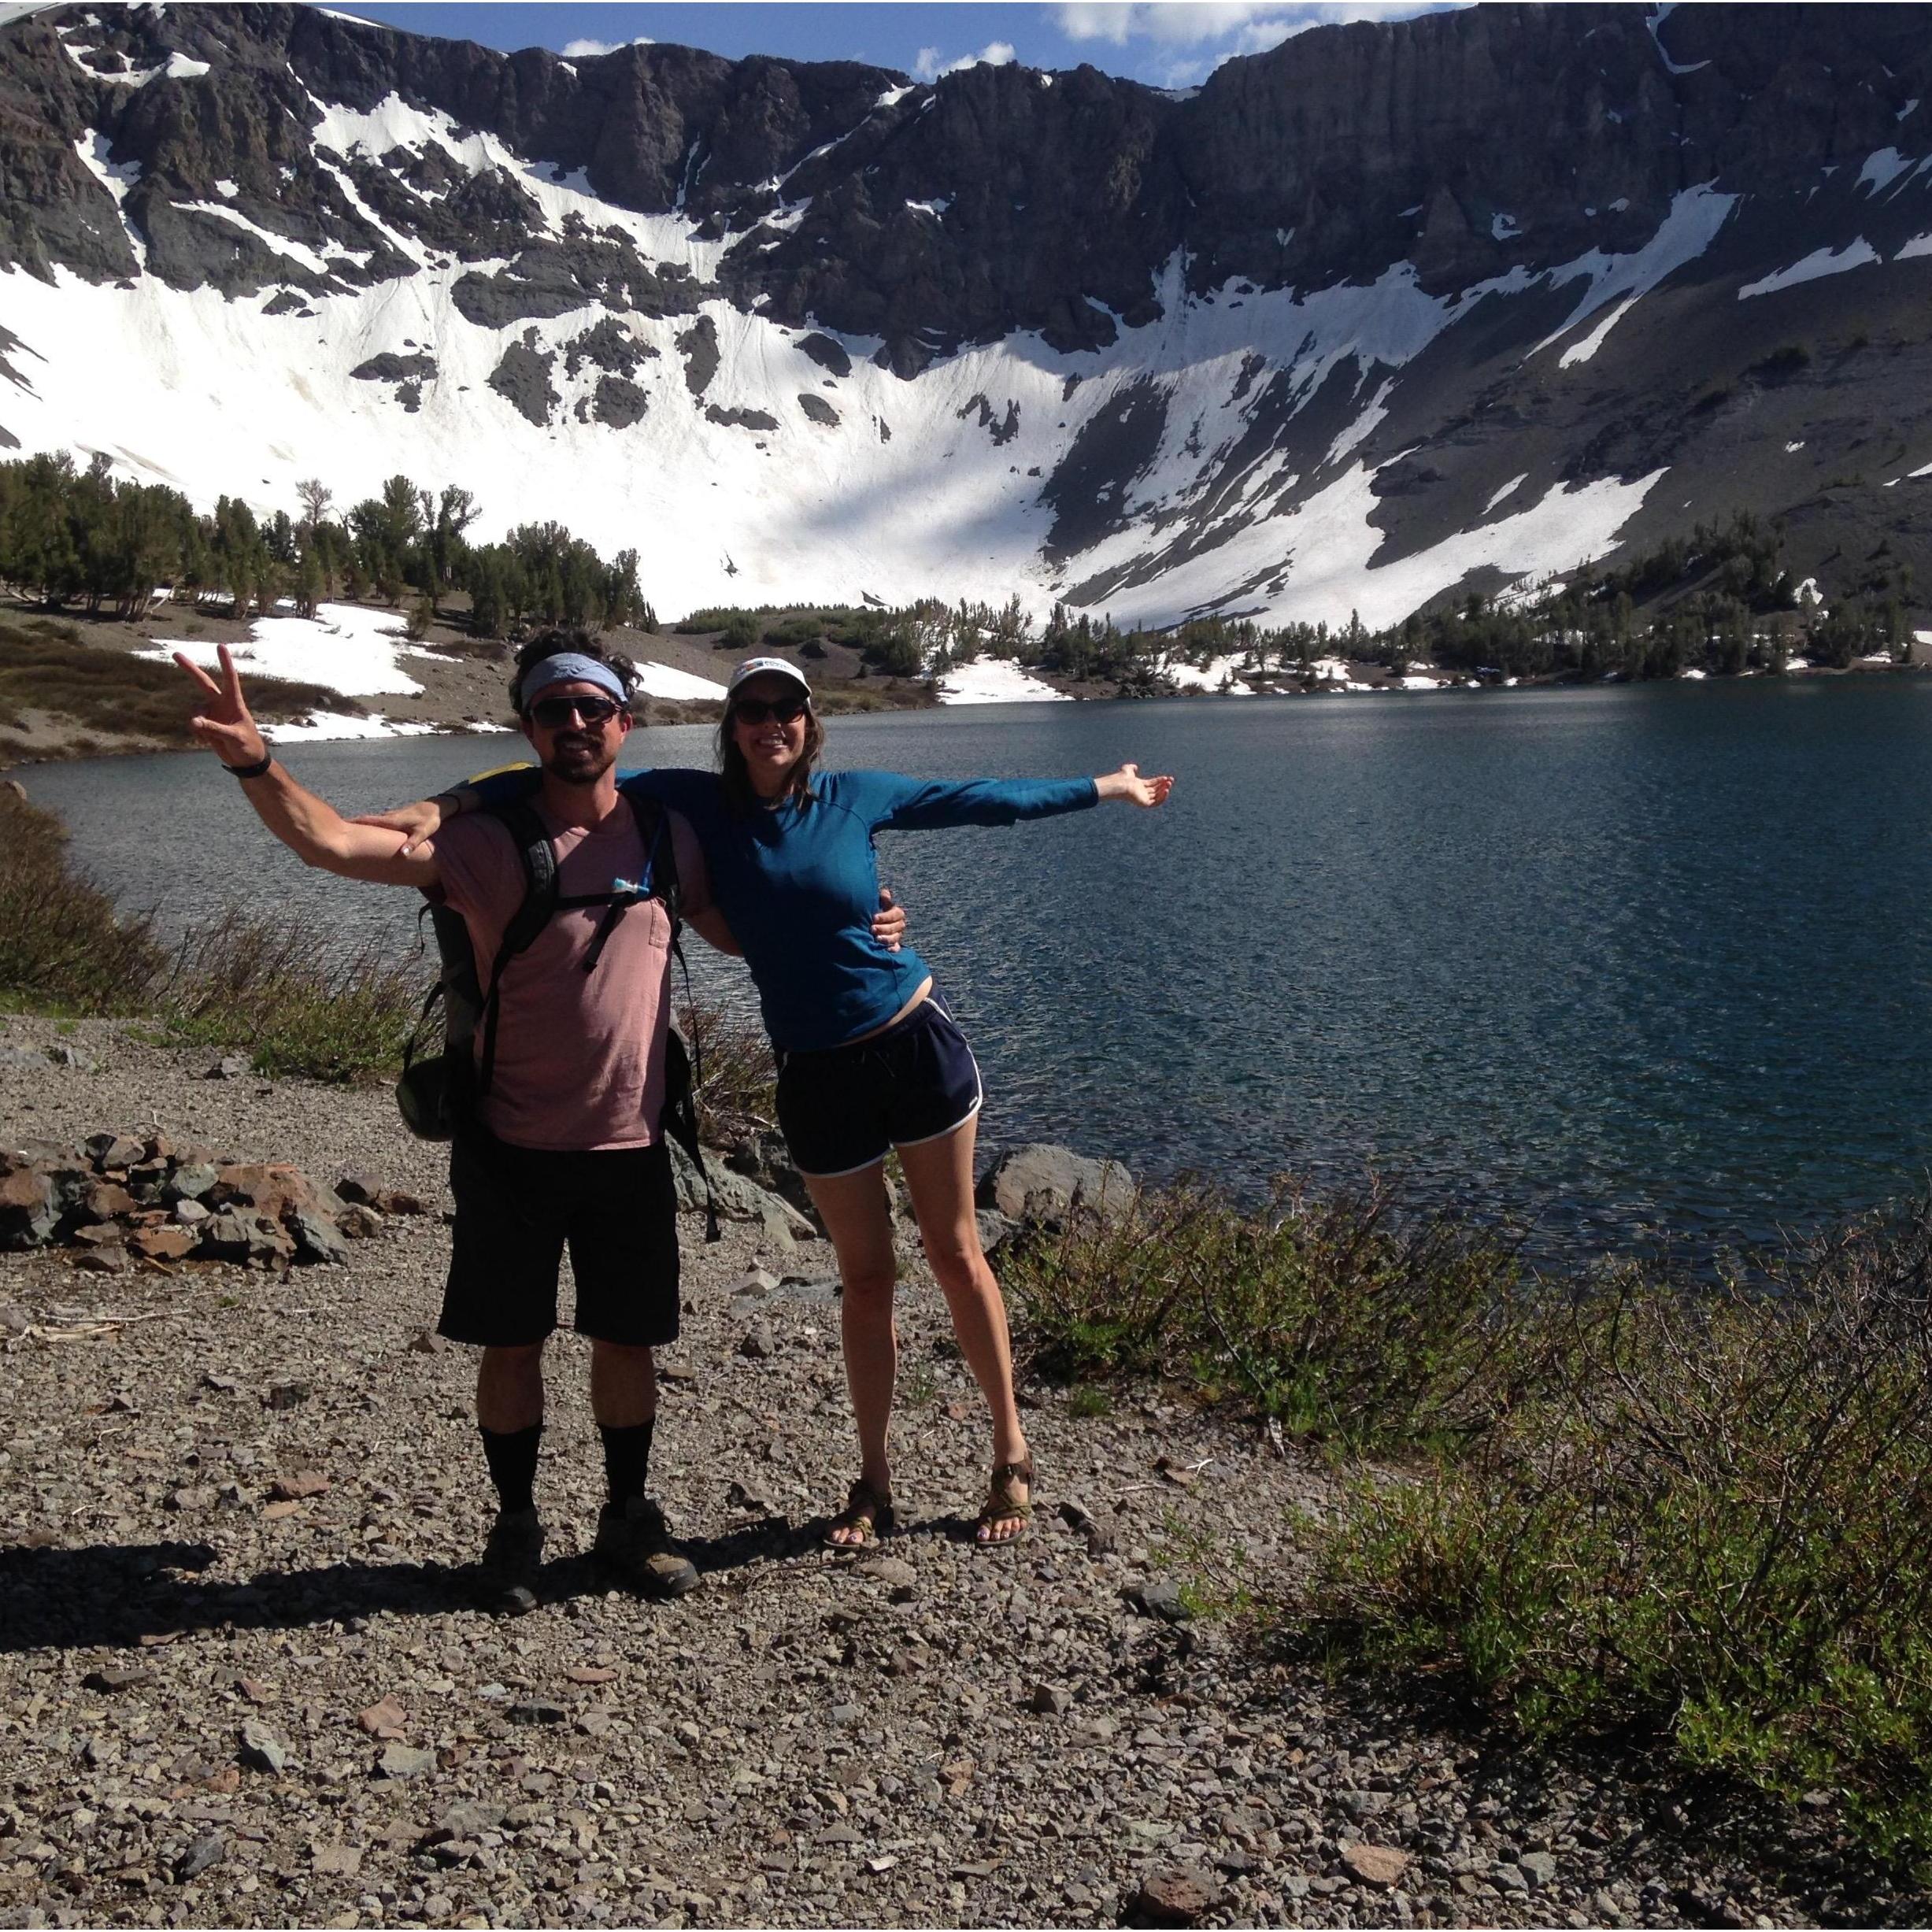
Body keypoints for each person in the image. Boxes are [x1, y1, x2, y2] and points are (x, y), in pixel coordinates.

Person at [171, 635, 908, 1612]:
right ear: (527, 727)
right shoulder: (485, 842)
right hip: (508, 1146)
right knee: (510, 1344)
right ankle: (515, 1528)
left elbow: (755, 918)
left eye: (593, 710)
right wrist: (255, 762)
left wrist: (867, 926)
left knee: (626, 1341)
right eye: (554, 711)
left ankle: (628, 1518)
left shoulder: (665, 834)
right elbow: (334, 844)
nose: (576, 725)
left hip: (635, 1144)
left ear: (622, 725)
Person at [373, 653, 1174, 1549]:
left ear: (808, 720)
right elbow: (564, 774)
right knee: (866, 1279)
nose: (770, 723)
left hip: (913, 1041)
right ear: (733, 726)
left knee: (955, 1253)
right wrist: (450, 804)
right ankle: (873, 1483)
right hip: (816, 1069)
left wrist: (1107, 786)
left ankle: (1011, 1457)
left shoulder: (856, 796)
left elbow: (981, 799)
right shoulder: (695, 801)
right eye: (752, 709)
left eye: (786, 707)